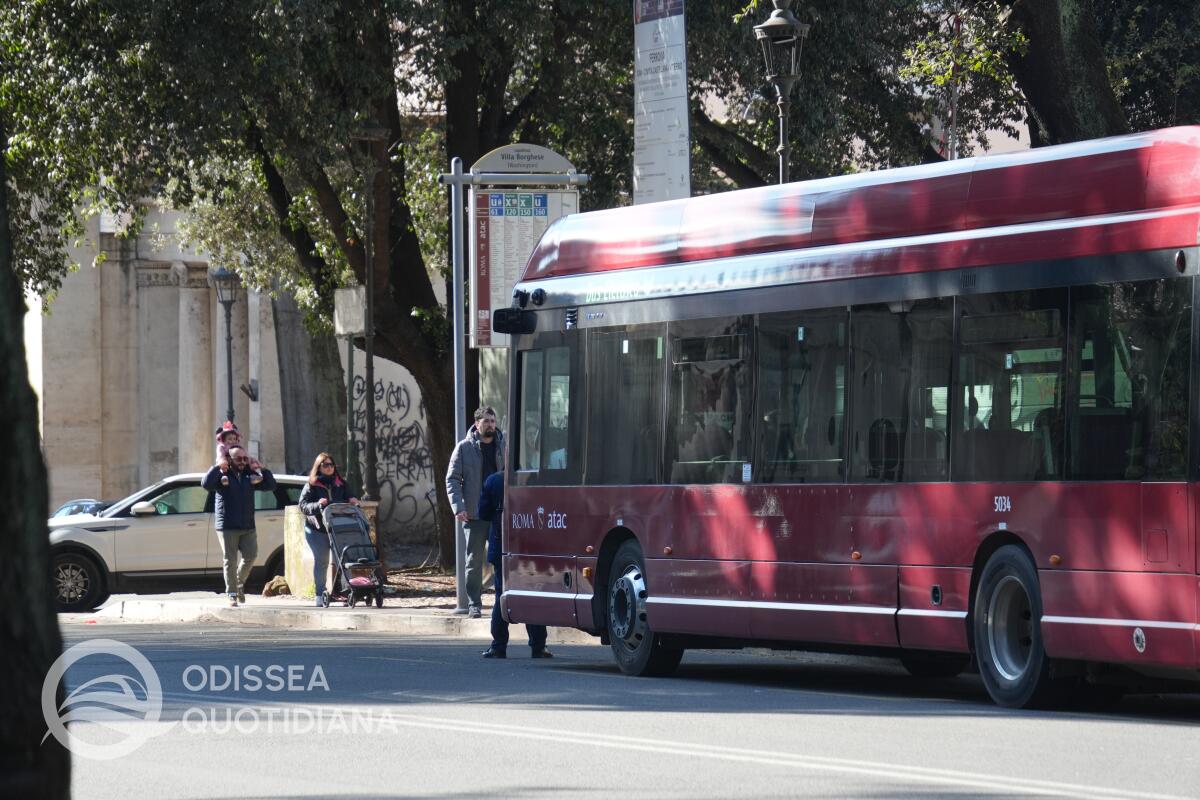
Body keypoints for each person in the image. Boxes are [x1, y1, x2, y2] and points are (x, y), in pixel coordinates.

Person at [477, 471, 550, 659]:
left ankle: (499, 646)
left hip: (502, 545)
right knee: (533, 595)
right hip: (529, 546)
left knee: (502, 596)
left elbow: (483, 513)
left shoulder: (494, 480)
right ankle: (538, 646)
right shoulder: (534, 478)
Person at [445, 406, 504, 618]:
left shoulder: (504, 445)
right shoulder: (463, 448)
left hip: (500, 513)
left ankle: (502, 601)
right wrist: (458, 507)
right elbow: (452, 479)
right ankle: (474, 603)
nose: (490, 424)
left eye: (493, 420)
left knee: (502, 559)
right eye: (486, 421)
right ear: (476, 423)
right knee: (474, 561)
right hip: (474, 513)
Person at [202, 445, 277, 606]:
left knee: (251, 556)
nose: (243, 462)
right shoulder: (223, 474)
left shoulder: (250, 475)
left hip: (247, 524)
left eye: (245, 458)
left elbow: (271, 485)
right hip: (227, 525)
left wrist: (261, 468)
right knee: (230, 560)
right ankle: (232, 593)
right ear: (229, 459)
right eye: (239, 459)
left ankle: (238, 582)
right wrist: (218, 467)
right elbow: (206, 484)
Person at [297, 452, 360, 607]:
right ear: (319, 467)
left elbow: (350, 498)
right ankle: (320, 594)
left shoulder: (341, 483)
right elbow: (303, 506)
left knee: (345, 560)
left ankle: (347, 592)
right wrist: (318, 505)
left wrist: (353, 501)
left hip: (338, 528)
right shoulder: (312, 484)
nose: (330, 467)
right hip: (317, 529)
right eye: (326, 465)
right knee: (322, 561)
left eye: (332, 465)